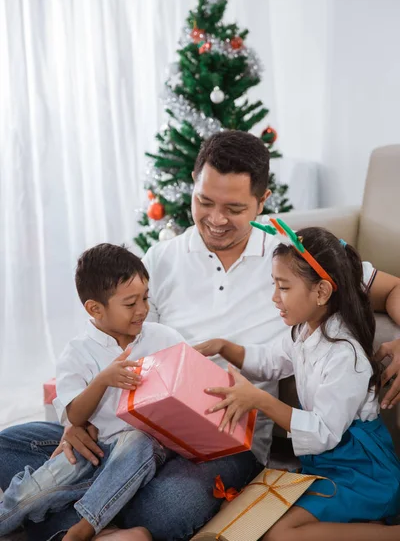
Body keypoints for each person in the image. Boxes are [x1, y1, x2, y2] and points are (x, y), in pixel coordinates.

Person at [0, 131, 399, 541]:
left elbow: (392, 288)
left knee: (170, 510)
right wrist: (74, 423)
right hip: (134, 429)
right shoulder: (160, 260)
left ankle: (80, 505)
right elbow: (108, 334)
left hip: (223, 444)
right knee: (7, 445)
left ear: (262, 203)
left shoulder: (292, 261)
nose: (216, 219)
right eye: (204, 201)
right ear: (192, 182)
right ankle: (103, 507)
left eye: (234, 207)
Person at [198, 223, 400, 541]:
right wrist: (224, 346)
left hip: (361, 471)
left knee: (279, 535)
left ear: (321, 292)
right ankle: (363, 526)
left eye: (284, 287)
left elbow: (322, 434)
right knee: (256, 523)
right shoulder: (303, 331)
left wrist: (259, 399)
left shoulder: (345, 356)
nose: (274, 298)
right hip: (329, 462)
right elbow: (268, 362)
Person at [0, 244, 185, 541]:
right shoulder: (77, 352)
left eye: (145, 298)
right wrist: (102, 381)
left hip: (145, 449)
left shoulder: (163, 337)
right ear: (95, 308)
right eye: (130, 303)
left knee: (138, 438)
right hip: (95, 449)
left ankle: (84, 526)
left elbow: (188, 382)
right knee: (38, 489)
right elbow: (75, 415)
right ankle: (12, 516)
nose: (143, 310)